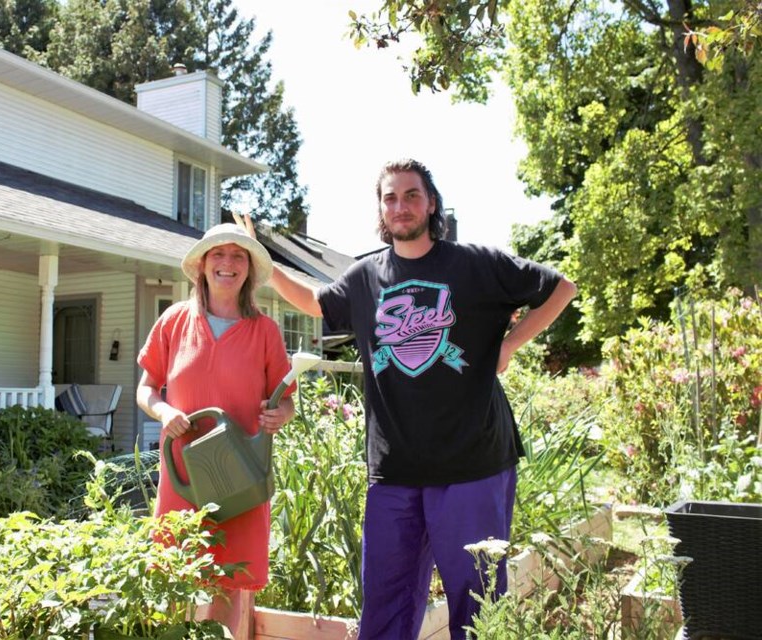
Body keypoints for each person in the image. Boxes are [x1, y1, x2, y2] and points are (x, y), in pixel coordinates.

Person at [235, 158, 577, 640]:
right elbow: (315, 302)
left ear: (430, 202)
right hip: (394, 471)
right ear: (380, 208)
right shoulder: (364, 276)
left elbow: (561, 287)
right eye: (390, 198)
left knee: (479, 604)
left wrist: (509, 344)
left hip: (472, 464)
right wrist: (263, 266)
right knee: (386, 605)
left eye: (411, 195)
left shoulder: (474, 263)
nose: (401, 206)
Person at [136, 223, 296, 639]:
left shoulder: (265, 331)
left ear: (248, 269)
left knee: (229, 583)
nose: (228, 264)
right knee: (175, 578)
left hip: (240, 477)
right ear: (203, 265)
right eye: (219, 255)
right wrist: (164, 409)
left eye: (238, 256)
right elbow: (146, 388)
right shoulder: (173, 322)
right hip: (185, 475)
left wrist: (281, 413)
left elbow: (286, 399)